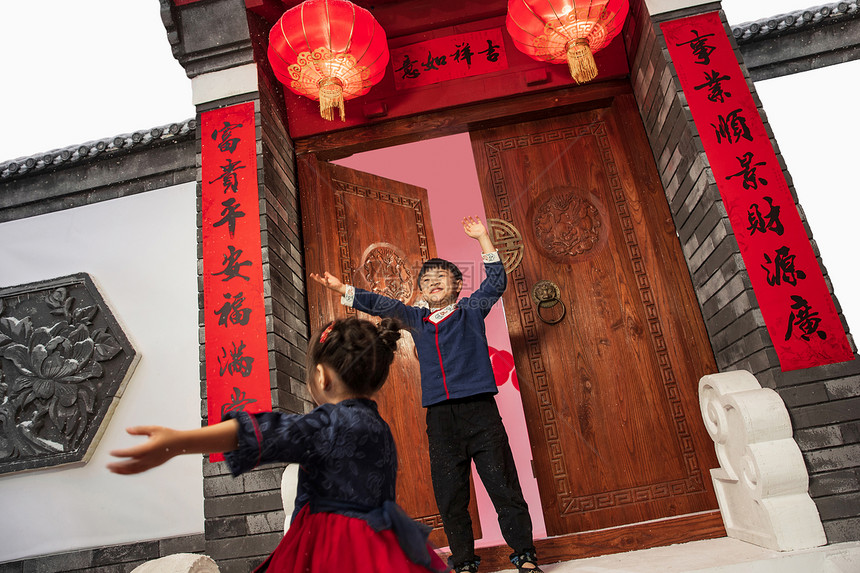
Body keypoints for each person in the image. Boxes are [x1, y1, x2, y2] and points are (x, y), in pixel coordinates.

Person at [108, 317, 449, 573]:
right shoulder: (380, 428)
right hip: (382, 541)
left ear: (321, 377)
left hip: (333, 546)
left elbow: (264, 430)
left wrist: (178, 442)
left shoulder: (329, 423)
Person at [310, 216, 542, 573]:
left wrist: (482, 237)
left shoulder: (470, 311)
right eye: (427, 281)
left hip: (481, 413)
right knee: (450, 496)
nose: (433, 284)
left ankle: (524, 555)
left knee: (503, 485)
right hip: (441, 419)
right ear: (421, 291)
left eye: (441, 279)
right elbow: (383, 305)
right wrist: (344, 290)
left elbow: (496, 282)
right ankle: (464, 562)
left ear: (457, 285)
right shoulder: (417, 320)